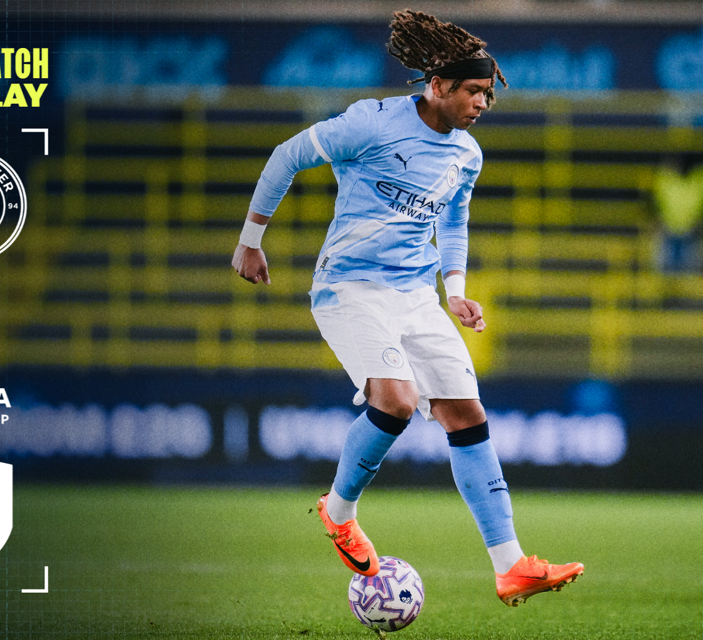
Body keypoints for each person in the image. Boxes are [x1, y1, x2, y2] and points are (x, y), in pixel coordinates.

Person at [231, 9, 583, 607]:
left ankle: (511, 566)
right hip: (350, 288)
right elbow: (286, 155)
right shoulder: (371, 123)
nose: (483, 104)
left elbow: (453, 217)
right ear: (438, 85)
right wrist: (250, 239)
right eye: (475, 91)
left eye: (488, 94)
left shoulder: (465, 155)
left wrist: (455, 288)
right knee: (394, 399)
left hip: (416, 295)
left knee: (467, 415)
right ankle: (339, 512)